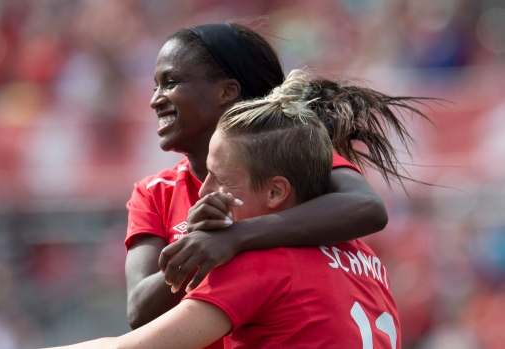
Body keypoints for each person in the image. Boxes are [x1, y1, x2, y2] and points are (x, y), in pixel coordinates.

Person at [45, 69, 400, 348]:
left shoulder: (259, 263)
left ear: (277, 191)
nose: (205, 191)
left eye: (218, 178)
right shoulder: (366, 260)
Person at [124, 20, 431, 340]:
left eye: (171, 82)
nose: (155, 99)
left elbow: (367, 207)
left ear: (226, 91)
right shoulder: (154, 192)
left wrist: (234, 238)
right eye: (155, 86)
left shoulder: (294, 161)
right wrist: (202, 248)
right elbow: (138, 310)